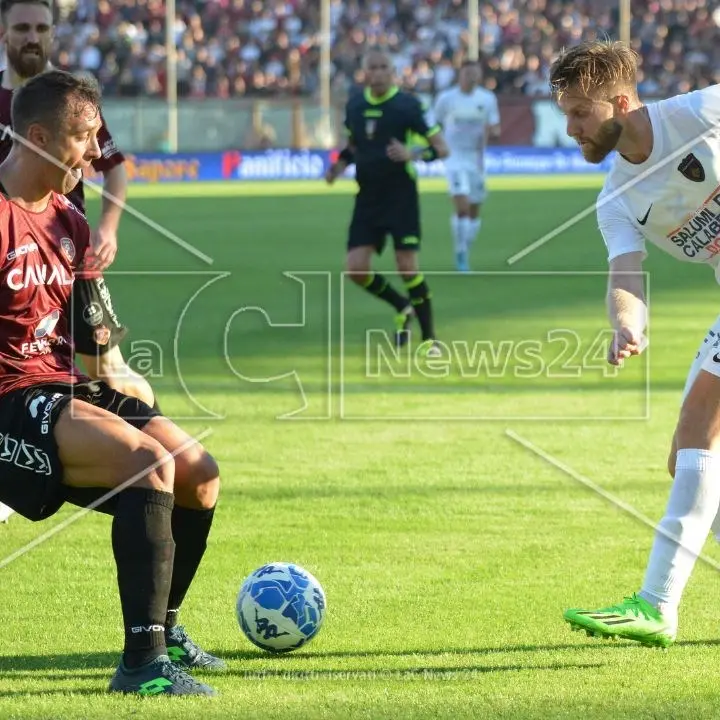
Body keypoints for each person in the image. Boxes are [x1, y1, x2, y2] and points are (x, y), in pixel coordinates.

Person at [0, 69, 224, 695]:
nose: (97, 154)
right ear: (37, 136)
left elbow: (99, 351)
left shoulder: (69, 224)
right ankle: (142, 666)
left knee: (197, 474)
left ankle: (165, 628)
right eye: (83, 138)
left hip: (62, 384)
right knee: (148, 464)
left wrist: (128, 389)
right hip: (11, 400)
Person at [552, 39, 720, 648]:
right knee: (688, 457)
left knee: (701, 423)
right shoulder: (615, 199)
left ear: (620, 102)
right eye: (565, 114)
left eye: (580, 113)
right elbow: (627, 277)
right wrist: (629, 323)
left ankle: (656, 604)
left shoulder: (700, 112)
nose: (571, 129)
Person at [0, 0, 158, 409]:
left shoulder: (73, 103)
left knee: (110, 369)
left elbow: (114, 168)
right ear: (4, 33)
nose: (32, 37)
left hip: (66, 253)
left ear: (53, 34)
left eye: (41, 27)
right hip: (9, 253)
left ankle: (155, 446)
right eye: (21, 29)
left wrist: (108, 226)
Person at [326, 48, 449, 355]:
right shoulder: (354, 105)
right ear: (364, 72)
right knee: (355, 269)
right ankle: (401, 305)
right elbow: (353, 144)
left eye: (384, 67)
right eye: (373, 67)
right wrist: (338, 166)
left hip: (400, 197)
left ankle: (431, 339)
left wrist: (413, 154)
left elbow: (441, 148)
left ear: (393, 72)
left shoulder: (407, 106)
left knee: (406, 266)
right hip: (367, 197)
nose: (379, 72)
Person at [433, 60, 500, 272]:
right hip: (454, 158)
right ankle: (460, 253)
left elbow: (493, 125)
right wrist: (437, 146)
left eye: (475, 73)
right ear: (460, 75)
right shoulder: (446, 98)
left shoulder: (487, 99)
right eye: (468, 73)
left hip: (476, 160)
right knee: (461, 207)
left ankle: (465, 248)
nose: (471, 77)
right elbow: (433, 124)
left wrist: (493, 133)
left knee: (474, 210)